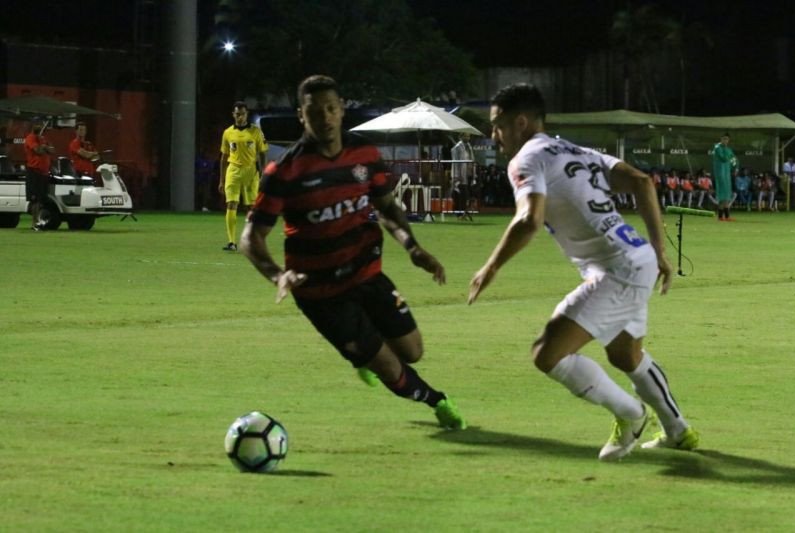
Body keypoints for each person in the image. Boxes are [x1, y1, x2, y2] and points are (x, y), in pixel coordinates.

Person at [468, 83, 698, 461]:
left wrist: (491, 266)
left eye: (497, 126)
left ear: (520, 122)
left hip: (615, 269)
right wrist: (658, 252)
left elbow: (529, 220)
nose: (494, 136)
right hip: (635, 257)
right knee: (626, 354)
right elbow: (642, 182)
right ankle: (677, 430)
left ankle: (631, 414)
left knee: (549, 354)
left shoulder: (525, 160)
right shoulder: (575, 150)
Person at [240, 75, 466, 430]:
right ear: (302, 116)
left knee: (412, 351)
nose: (325, 117)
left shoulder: (365, 155)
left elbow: (388, 208)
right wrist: (276, 274)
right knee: (389, 366)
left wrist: (412, 247)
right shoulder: (286, 171)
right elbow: (251, 237)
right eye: (315, 111)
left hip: (366, 274)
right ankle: (436, 401)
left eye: (331, 108)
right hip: (320, 293)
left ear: (341, 109)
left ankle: (364, 350)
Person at [219, 101, 268, 251]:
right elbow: (223, 156)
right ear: (233, 114)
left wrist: (263, 173)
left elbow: (263, 152)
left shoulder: (256, 132)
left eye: (242, 114)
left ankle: (253, 240)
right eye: (237, 114)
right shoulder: (228, 132)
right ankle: (231, 242)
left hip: (250, 171)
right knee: (231, 203)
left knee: (251, 207)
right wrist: (221, 180)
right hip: (233, 170)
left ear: (247, 114)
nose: (240, 117)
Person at [24, 118, 55, 230]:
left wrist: (45, 147)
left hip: (44, 173)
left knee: (41, 200)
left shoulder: (42, 138)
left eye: (41, 124)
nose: (40, 126)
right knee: (35, 200)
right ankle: (34, 223)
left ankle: (39, 222)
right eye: (37, 124)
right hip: (34, 172)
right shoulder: (30, 138)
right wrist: (45, 148)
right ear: (33, 125)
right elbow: (38, 151)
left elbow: (52, 150)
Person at [712, 133, 736, 221]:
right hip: (720, 174)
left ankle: (726, 216)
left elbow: (734, 159)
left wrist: (735, 167)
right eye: (724, 139)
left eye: (727, 139)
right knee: (722, 195)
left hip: (726, 174)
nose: (725, 141)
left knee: (726, 195)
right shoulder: (717, 148)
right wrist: (729, 156)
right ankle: (720, 216)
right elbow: (724, 158)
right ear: (721, 139)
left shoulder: (728, 149)